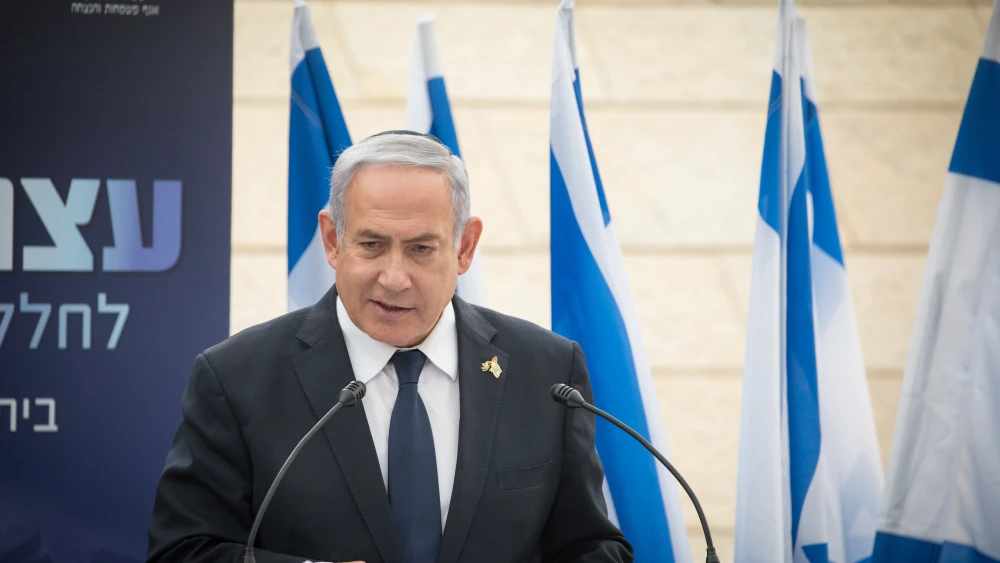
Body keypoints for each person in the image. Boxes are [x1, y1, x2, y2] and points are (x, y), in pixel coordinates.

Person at [146, 131, 633, 563]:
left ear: (464, 248)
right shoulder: (236, 378)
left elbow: (591, 546)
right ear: (333, 241)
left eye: (421, 248)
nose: (394, 278)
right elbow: (184, 550)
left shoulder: (546, 371)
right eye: (372, 245)